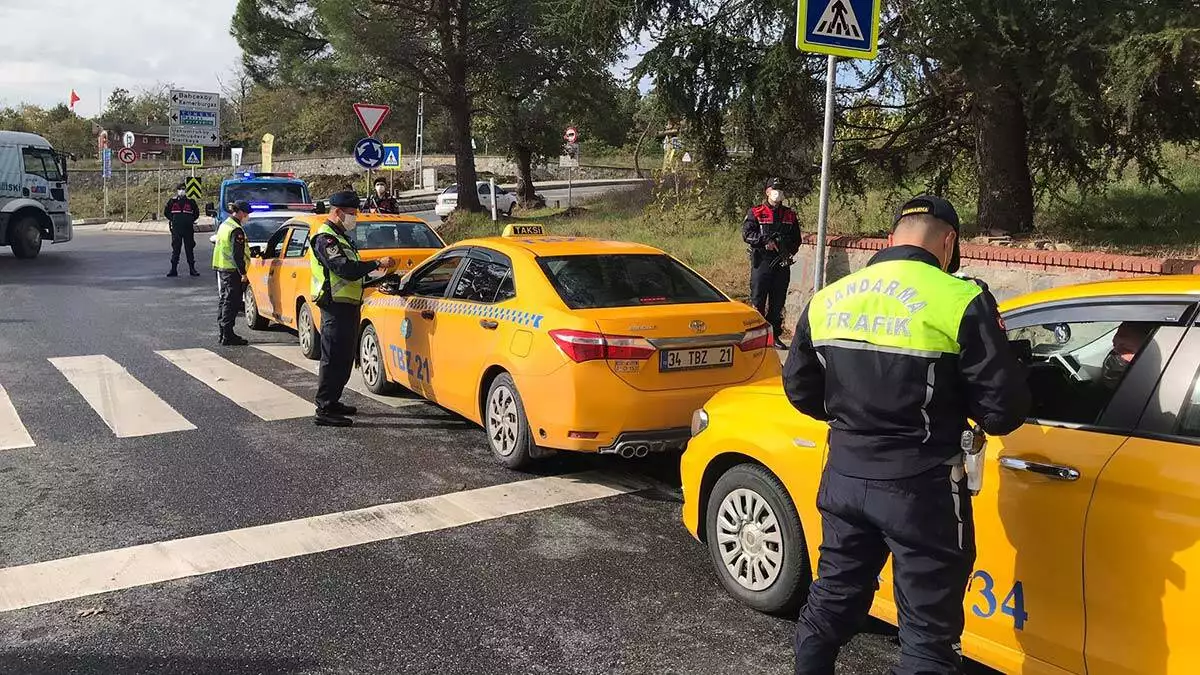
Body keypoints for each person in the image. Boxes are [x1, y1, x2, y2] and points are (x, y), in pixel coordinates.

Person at [784, 195, 1030, 675]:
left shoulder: (831, 297)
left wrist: (856, 422)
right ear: (949, 243)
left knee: (831, 599)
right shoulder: (960, 298)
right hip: (922, 490)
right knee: (927, 637)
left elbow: (800, 389)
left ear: (893, 237)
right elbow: (1002, 412)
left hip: (844, 478)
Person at [308, 190, 394, 427]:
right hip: (334, 307)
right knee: (333, 358)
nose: (354, 218)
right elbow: (344, 269)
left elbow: (353, 277)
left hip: (348, 306)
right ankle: (324, 408)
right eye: (351, 214)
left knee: (344, 358)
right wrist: (376, 263)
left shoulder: (341, 237)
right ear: (337, 212)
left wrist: (380, 278)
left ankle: (333, 401)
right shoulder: (325, 239)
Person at [742, 177, 801, 348]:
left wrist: (787, 249)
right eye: (775, 189)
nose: (778, 193)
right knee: (758, 300)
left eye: (781, 189)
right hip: (762, 261)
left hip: (781, 262)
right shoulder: (757, 212)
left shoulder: (790, 214)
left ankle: (774, 336)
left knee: (778, 302)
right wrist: (764, 241)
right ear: (767, 191)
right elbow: (747, 234)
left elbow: (797, 239)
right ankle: (756, 336)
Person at [211, 200, 252, 346]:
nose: (247, 216)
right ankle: (228, 335)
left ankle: (223, 332)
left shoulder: (225, 224)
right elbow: (237, 254)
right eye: (246, 213)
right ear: (240, 212)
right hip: (232, 270)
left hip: (222, 268)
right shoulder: (236, 229)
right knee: (232, 302)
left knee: (224, 300)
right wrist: (243, 273)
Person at [164, 183, 200, 277]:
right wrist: (173, 220)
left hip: (188, 229)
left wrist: (190, 220)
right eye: (180, 189)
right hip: (176, 229)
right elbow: (166, 212)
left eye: (183, 189)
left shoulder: (190, 202)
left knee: (189, 249)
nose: (182, 191)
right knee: (176, 249)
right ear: (177, 190)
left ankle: (192, 269)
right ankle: (173, 269)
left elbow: (196, 213)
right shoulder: (172, 201)